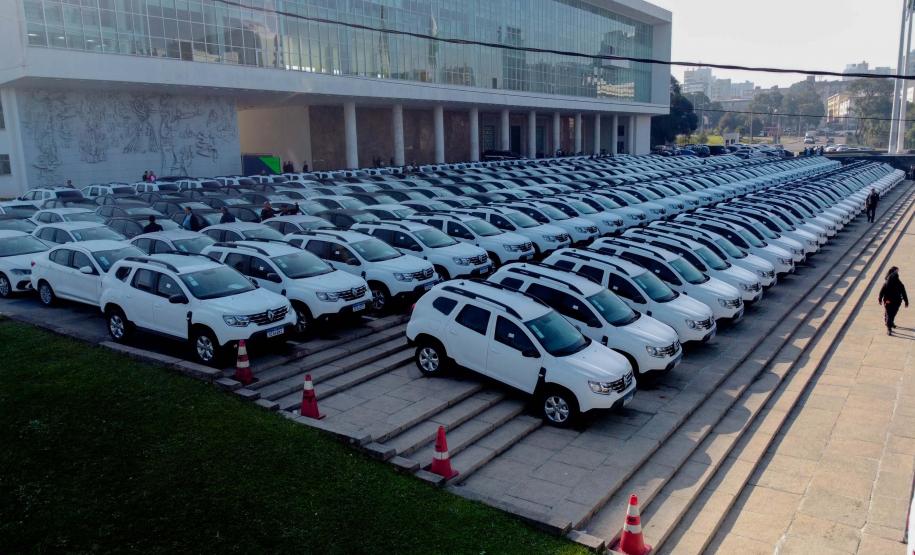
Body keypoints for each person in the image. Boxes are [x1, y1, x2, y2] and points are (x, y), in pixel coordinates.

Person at [879, 266, 909, 335]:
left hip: (896, 302)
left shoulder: (899, 284)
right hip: (889, 301)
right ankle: (889, 328)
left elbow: (903, 292)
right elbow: (882, 292)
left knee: (892, 314)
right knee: (890, 314)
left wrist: (906, 301)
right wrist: (880, 299)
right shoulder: (887, 283)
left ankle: (890, 322)